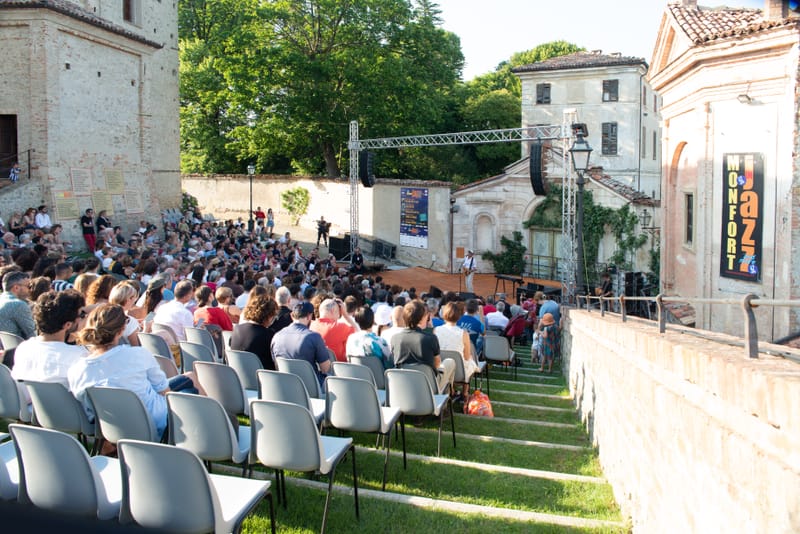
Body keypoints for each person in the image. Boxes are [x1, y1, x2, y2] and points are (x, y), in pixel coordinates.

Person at [68, 304, 199, 439]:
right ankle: (204, 431)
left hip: (111, 428)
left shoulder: (76, 370)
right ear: (122, 330)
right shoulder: (138, 354)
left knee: (188, 378)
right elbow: (164, 391)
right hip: (156, 422)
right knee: (190, 390)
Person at [11, 290, 89, 402]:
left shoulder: (23, 348)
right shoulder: (79, 355)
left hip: (29, 408)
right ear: (67, 324)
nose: (84, 318)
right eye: (81, 315)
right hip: (65, 411)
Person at [391, 300, 455, 395]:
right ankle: (448, 395)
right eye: (426, 316)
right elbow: (437, 364)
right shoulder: (430, 338)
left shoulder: (395, 338)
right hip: (429, 386)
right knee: (450, 362)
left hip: (403, 385)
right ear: (421, 318)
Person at [270, 301, 330, 386]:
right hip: (312, 387)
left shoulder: (277, 336)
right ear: (309, 316)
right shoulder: (314, 337)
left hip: (285, 386)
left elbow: (277, 366)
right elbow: (325, 368)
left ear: (292, 316)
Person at [434, 301, 478, 401]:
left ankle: (452, 389)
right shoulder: (463, 333)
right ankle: (465, 392)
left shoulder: (436, 330)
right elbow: (467, 356)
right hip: (459, 370)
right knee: (470, 361)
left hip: (441, 365)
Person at [230, 293, 279, 370]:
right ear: (269, 316)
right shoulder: (268, 335)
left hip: (237, 374)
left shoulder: (237, 329)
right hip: (261, 375)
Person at [310, 297, 357, 362]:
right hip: (339, 366)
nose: (338, 317)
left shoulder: (310, 325)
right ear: (332, 310)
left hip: (317, 366)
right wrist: (345, 314)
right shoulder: (340, 327)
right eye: (338, 313)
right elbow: (357, 333)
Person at [0, 271, 36, 340]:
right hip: (16, 346)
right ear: (16, 287)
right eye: (29, 286)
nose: (31, 290)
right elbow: (32, 334)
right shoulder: (19, 305)